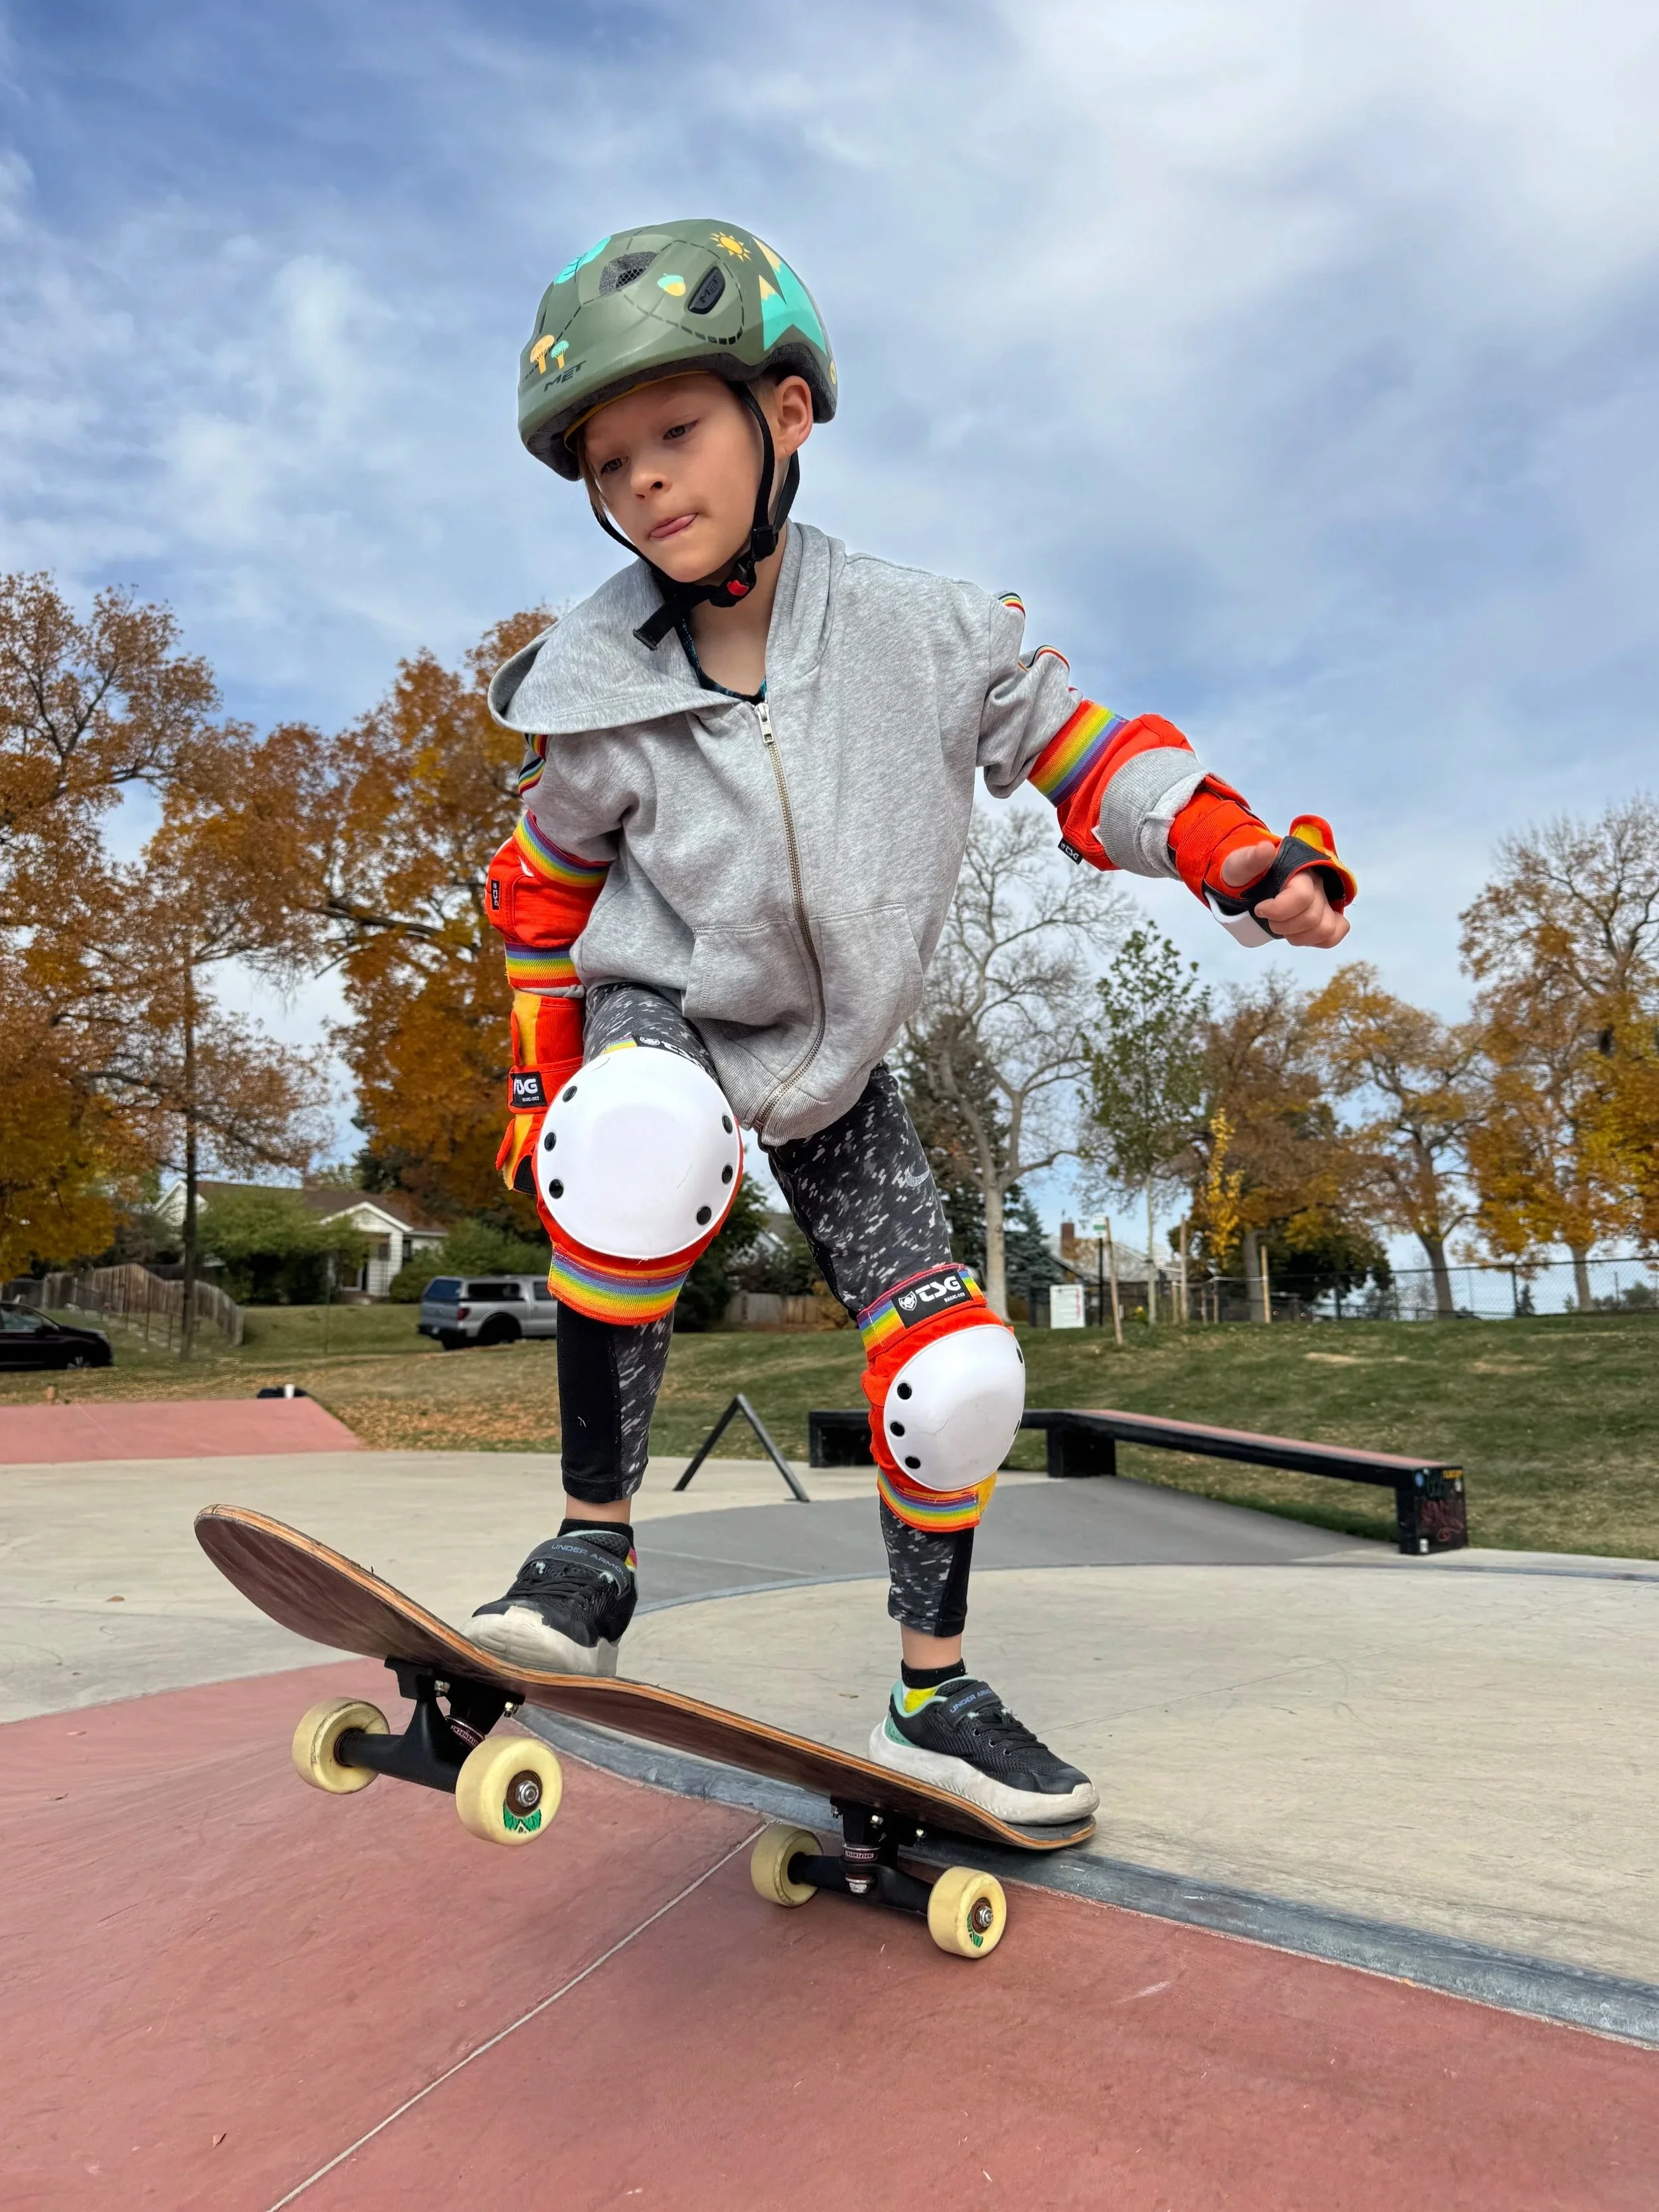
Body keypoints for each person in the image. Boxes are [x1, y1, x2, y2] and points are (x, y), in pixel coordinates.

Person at [465, 219, 1353, 1825]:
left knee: (959, 1377)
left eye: (677, 432)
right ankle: (592, 1544)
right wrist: (545, 1085)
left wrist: (1230, 849)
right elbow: (537, 897)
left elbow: (1090, 752)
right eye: (610, 462)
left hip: (836, 1070)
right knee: (641, 1137)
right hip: (664, 1021)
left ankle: (928, 1698)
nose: (646, 482)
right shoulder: (594, 690)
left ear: (786, 414)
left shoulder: (922, 635)